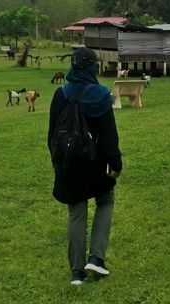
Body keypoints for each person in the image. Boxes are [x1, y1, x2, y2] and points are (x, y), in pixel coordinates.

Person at [47, 47, 123, 286]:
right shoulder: (101, 95)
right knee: (106, 200)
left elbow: (52, 136)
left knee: (76, 213)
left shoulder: (60, 94)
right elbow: (110, 137)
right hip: (96, 165)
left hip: (69, 164)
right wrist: (116, 164)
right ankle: (96, 258)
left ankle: (77, 272)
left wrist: (58, 163)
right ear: (92, 67)